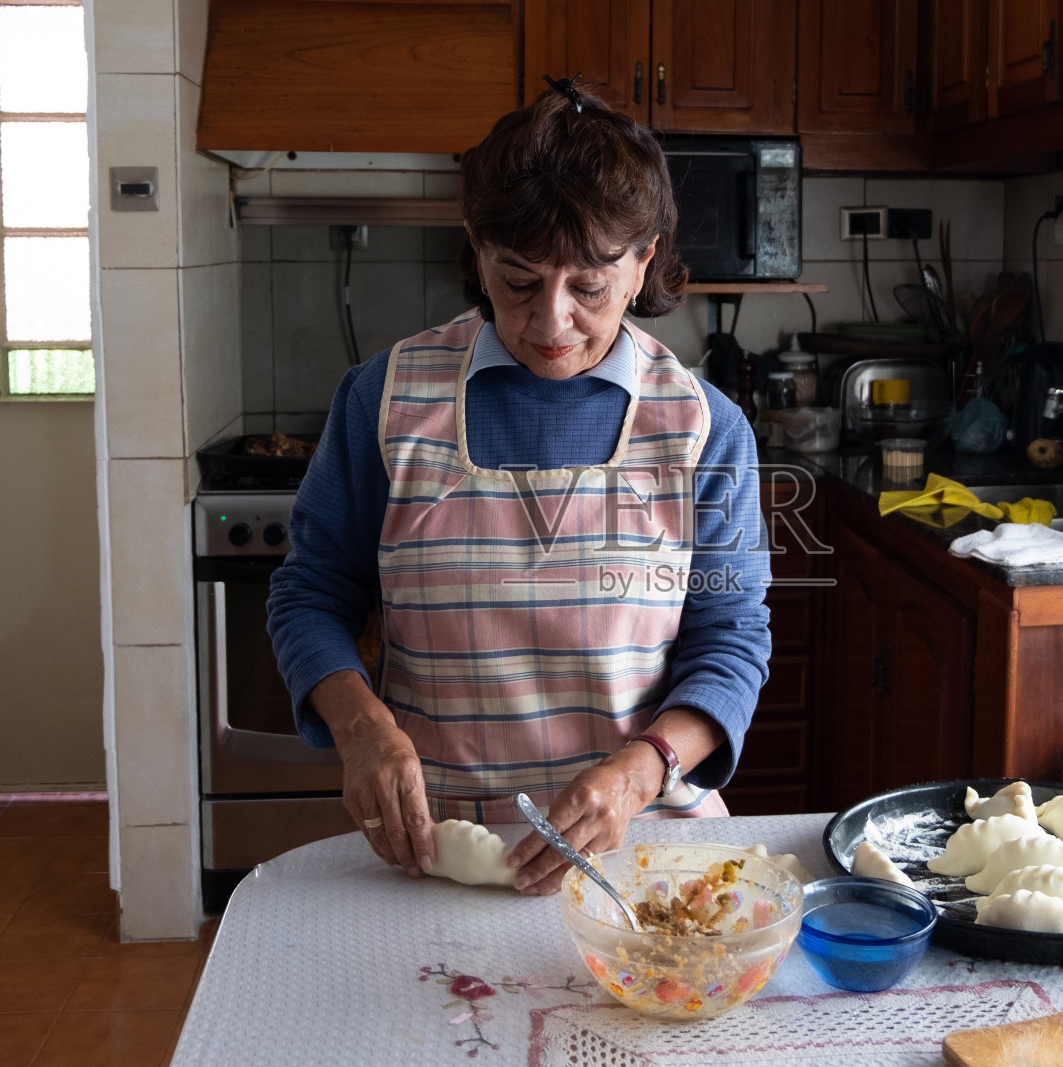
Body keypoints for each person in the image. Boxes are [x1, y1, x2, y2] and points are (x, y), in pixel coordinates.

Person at [265, 80, 772, 897]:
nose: (550, 322)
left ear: (642, 262)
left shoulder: (706, 430)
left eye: (589, 288)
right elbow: (310, 592)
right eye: (518, 280)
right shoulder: (384, 400)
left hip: (645, 858)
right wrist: (361, 728)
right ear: (477, 246)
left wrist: (641, 773)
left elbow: (731, 639)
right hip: (436, 846)